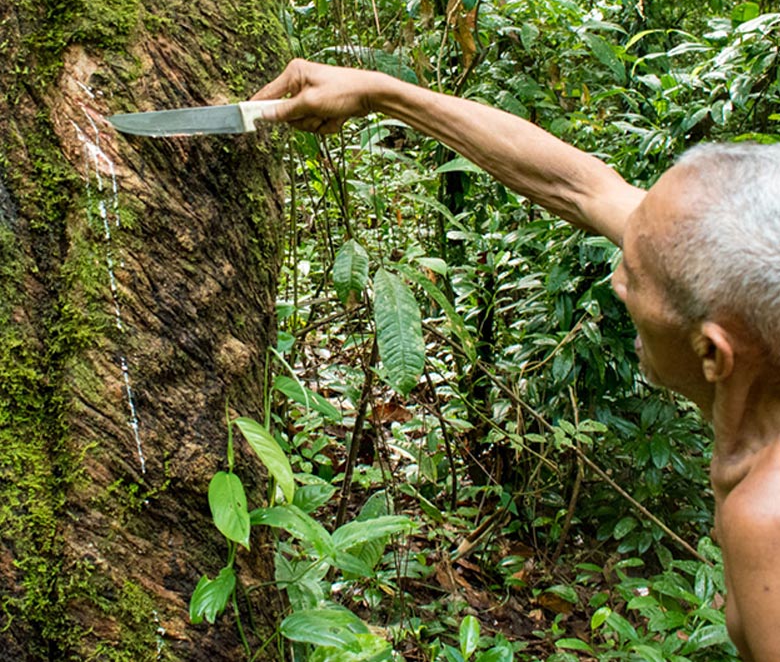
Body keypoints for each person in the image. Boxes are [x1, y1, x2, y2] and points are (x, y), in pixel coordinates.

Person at [253, 58, 780, 662]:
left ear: (712, 353)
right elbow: (580, 186)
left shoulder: (768, 518)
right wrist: (380, 93)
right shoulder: (735, 292)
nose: (617, 283)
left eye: (636, 276)